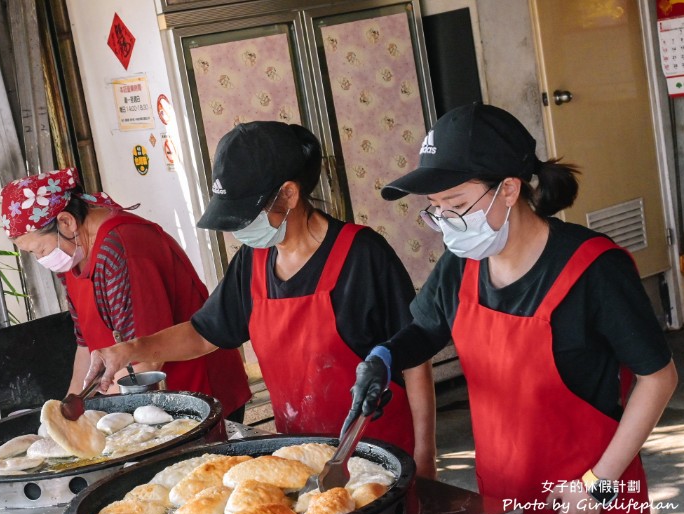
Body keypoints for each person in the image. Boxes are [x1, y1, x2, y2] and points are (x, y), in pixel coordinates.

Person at [350, 103, 678, 514]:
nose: (447, 223)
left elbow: (658, 378)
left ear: (508, 189)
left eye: (458, 206)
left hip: (588, 507)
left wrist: (599, 485)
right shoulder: (459, 267)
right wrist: (384, 355)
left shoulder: (593, 270)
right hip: (503, 504)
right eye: (436, 210)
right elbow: (425, 329)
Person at [86, 121, 437, 476]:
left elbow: (414, 361)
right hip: (301, 459)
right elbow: (204, 333)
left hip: (380, 458)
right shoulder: (252, 262)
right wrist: (133, 349)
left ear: (288, 194)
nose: (240, 229)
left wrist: (425, 460)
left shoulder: (363, 256)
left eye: (246, 215)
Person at [1, 168, 251, 420]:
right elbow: (85, 345)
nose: (41, 259)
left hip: (194, 397)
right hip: (143, 401)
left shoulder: (123, 247)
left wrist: (103, 418)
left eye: (39, 250)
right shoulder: (71, 252)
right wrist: (65, 413)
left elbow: (146, 361)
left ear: (66, 222)